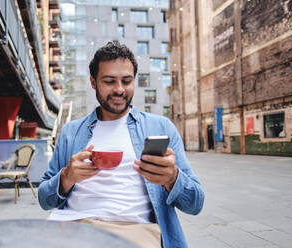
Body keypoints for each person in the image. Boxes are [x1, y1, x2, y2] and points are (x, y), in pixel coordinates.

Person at [38, 41, 204, 248]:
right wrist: (66, 177)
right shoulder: (71, 132)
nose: (119, 90)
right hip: (75, 227)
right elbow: (45, 199)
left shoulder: (160, 127)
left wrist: (173, 178)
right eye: (109, 81)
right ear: (93, 82)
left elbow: (195, 204)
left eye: (126, 81)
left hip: (135, 231)